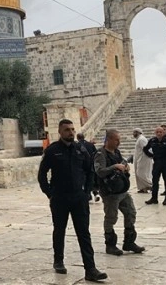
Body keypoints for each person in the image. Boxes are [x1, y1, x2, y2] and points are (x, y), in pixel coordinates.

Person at [38, 119, 108, 282]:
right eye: (67, 130)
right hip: (60, 198)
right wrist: (50, 193)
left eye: (72, 129)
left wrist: (86, 191)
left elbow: (90, 171)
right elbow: (42, 175)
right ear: (60, 132)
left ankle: (90, 269)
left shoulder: (81, 149)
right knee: (59, 230)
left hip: (79, 198)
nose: (71, 132)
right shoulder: (52, 151)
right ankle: (59, 260)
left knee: (84, 233)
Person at [94, 129, 145, 256]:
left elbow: (122, 164)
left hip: (121, 190)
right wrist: (114, 167)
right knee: (111, 217)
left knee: (130, 212)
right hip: (110, 192)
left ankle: (129, 242)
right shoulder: (101, 154)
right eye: (116, 140)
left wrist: (125, 168)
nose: (119, 142)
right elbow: (99, 171)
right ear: (109, 139)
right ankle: (110, 244)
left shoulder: (116, 152)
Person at [143, 126, 166, 205]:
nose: (159, 134)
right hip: (157, 163)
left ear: (163, 133)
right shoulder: (152, 140)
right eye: (157, 132)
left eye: (160, 132)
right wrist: (151, 155)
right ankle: (154, 198)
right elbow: (145, 149)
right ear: (155, 133)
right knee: (155, 181)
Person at [77, 133, 100, 202]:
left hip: (82, 167)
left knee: (84, 181)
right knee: (91, 180)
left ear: (77, 138)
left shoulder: (77, 145)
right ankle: (95, 194)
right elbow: (96, 153)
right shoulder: (90, 144)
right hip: (91, 165)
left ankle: (88, 195)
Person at [132, 128, 152, 193]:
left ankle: (151, 185)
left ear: (138, 132)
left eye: (134, 132)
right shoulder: (138, 139)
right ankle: (143, 188)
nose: (133, 134)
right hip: (139, 159)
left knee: (141, 173)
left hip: (144, 159)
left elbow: (146, 149)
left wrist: (151, 157)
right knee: (138, 173)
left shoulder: (141, 139)